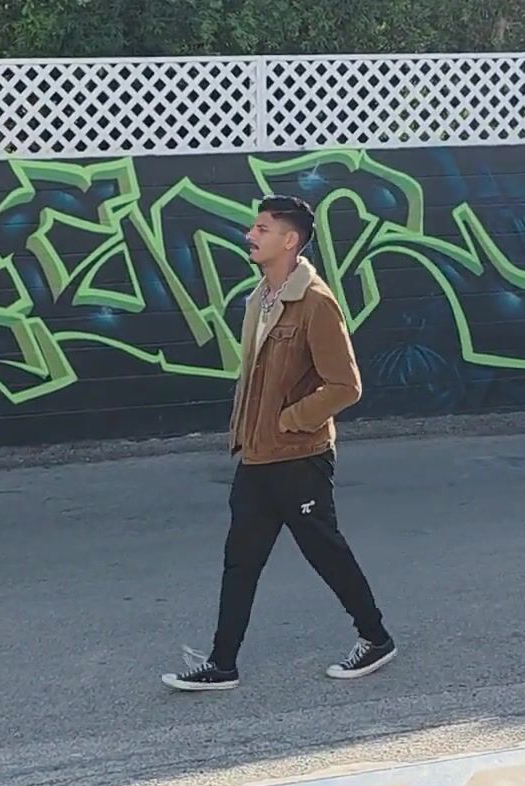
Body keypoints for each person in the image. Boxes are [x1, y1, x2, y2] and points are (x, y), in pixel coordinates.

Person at [163, 194, 396, 691]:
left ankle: (376, 638)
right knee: (240, 561)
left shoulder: (315, 303)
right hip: (256, 456)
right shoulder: (260, 298)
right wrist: (252, 432)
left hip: (299, 457)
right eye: (254, 227)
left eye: (262, 229)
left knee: (325, 552)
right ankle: (222, 663)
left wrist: (289, 420)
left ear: (290, 241)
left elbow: (346, 385)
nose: (250, 235)